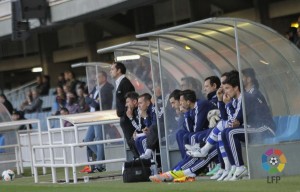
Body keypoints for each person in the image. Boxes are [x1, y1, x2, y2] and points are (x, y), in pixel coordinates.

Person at [82, 71, 114, 173]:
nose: (96, 79)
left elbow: (97, 105)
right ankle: (102, 160)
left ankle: (99, 165)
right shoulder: (96, 88)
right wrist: (93, 100)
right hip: (93, 117)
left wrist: (92, 101)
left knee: (99, 140)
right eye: (95, 78)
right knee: (87, 140)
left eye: (98, 77)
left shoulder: (108, 88)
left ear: (104, 77)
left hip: (101, 117)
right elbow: (87, 99)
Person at [110, 62, 139, 158]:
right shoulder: (119, 83)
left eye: (112, 69)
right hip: (123, 116)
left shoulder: (125, 83)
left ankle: (140, 160)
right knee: (130, 141)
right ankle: (138, 159)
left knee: (132, 140)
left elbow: (131, 99)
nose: (111, 71)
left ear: (119, 70)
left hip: (128, 117)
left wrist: (129, 112)